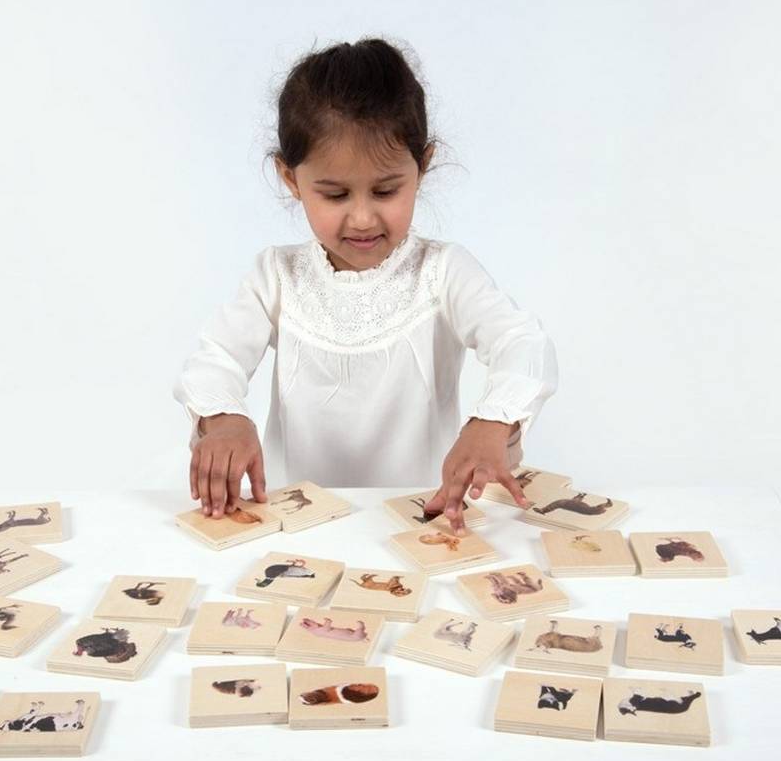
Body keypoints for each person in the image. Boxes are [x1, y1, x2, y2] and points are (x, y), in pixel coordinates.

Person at [172, 37, 559, 535]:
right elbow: (215, 359)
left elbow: (522, 341)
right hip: (298, 531)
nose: (361, 217)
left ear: (422, 166)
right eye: (335, 194)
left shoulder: (443, 272)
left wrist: (493, 421)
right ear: (291, 179)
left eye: (386, 190)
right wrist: (224, 418)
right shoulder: (276, 275)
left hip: (421, 530)